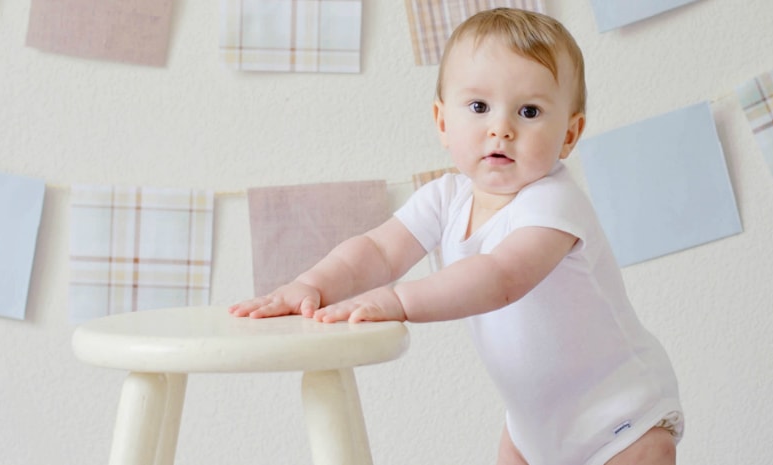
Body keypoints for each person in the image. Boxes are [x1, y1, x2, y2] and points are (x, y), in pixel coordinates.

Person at [230, 8, 683, 465]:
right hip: (533, 428)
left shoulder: (553, 204)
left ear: (570, 133)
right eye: (479, 107)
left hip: (622, 419)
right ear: (442, 121)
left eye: (529, 111)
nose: (500, 128)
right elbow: (378, 250)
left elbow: (500, 277)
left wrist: (399, 302)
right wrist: (313, 285)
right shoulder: (445, 198)